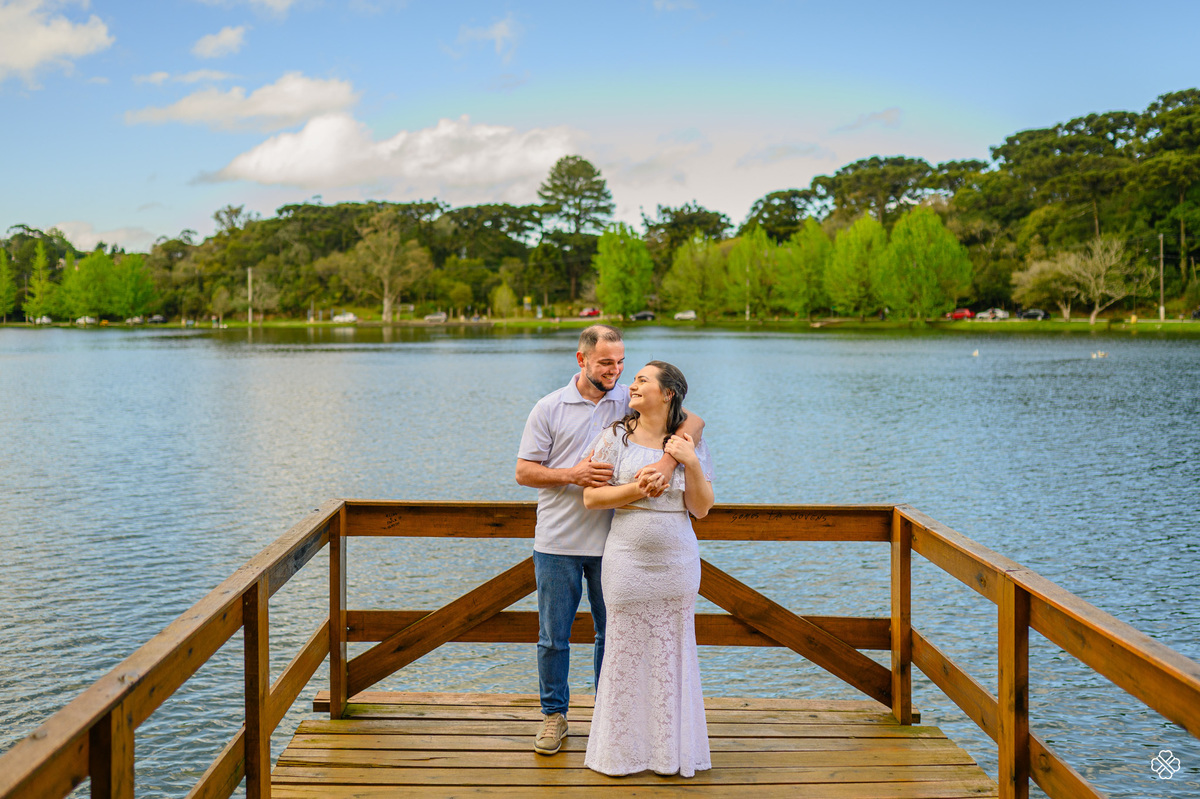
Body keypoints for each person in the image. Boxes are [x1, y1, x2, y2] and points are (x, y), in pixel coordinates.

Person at [516, 325, 702, 756]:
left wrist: (663, 462)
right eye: (606, 363)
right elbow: (524, 471)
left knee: (612, 636)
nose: (616, 371)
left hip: (615, 546)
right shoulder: (549, 407)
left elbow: (692, 420)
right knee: (553, 637)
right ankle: (553, 718)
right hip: (559, 539)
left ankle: (609, 721)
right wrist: (571, 474)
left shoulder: (628, 397)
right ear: (581, 360)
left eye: (621, 362)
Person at [581, 361, 714, 777]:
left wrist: (689, 463)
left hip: (676, 562)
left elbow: (702, 508)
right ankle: (621, 754)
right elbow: (591, 499)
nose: (632, 384)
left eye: (642, 379)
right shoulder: (616, 437)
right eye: (634, 379)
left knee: (673, 651)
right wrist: (637, 488)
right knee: (624, 650)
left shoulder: (685, 443)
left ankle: (670, 752)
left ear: (668, 393)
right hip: (626, 561)